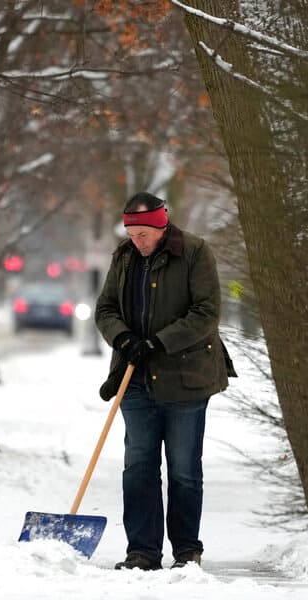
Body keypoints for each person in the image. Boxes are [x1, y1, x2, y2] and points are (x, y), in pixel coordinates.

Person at [95, 191, 236, 571]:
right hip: (134, 379)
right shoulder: (124, 258)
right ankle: (142, 552)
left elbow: (206, 312)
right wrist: (123, 339)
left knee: (183, 468)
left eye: (143, 233)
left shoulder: (193, 252)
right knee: (138, 465)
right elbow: (105, 308)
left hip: (185, 379)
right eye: (131, 233)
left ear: (160, 227)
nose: (136, 241)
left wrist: (159, 343)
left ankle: (187, 550)